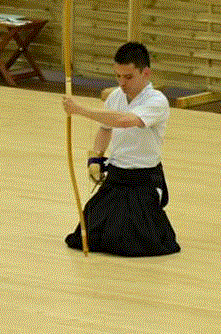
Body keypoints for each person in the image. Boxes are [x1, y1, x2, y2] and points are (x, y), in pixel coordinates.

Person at [61, 41, 180, 257]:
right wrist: (96, 159)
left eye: (128, 77)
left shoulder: (156, 101)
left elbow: (125, 121)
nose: (122, 83)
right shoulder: (116, 96)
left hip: (142, 179)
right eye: (118, 76)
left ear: (146, 73)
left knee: (132, 239)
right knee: (88, 233)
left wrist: (81, 110)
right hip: (117, 176)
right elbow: (105, 128)